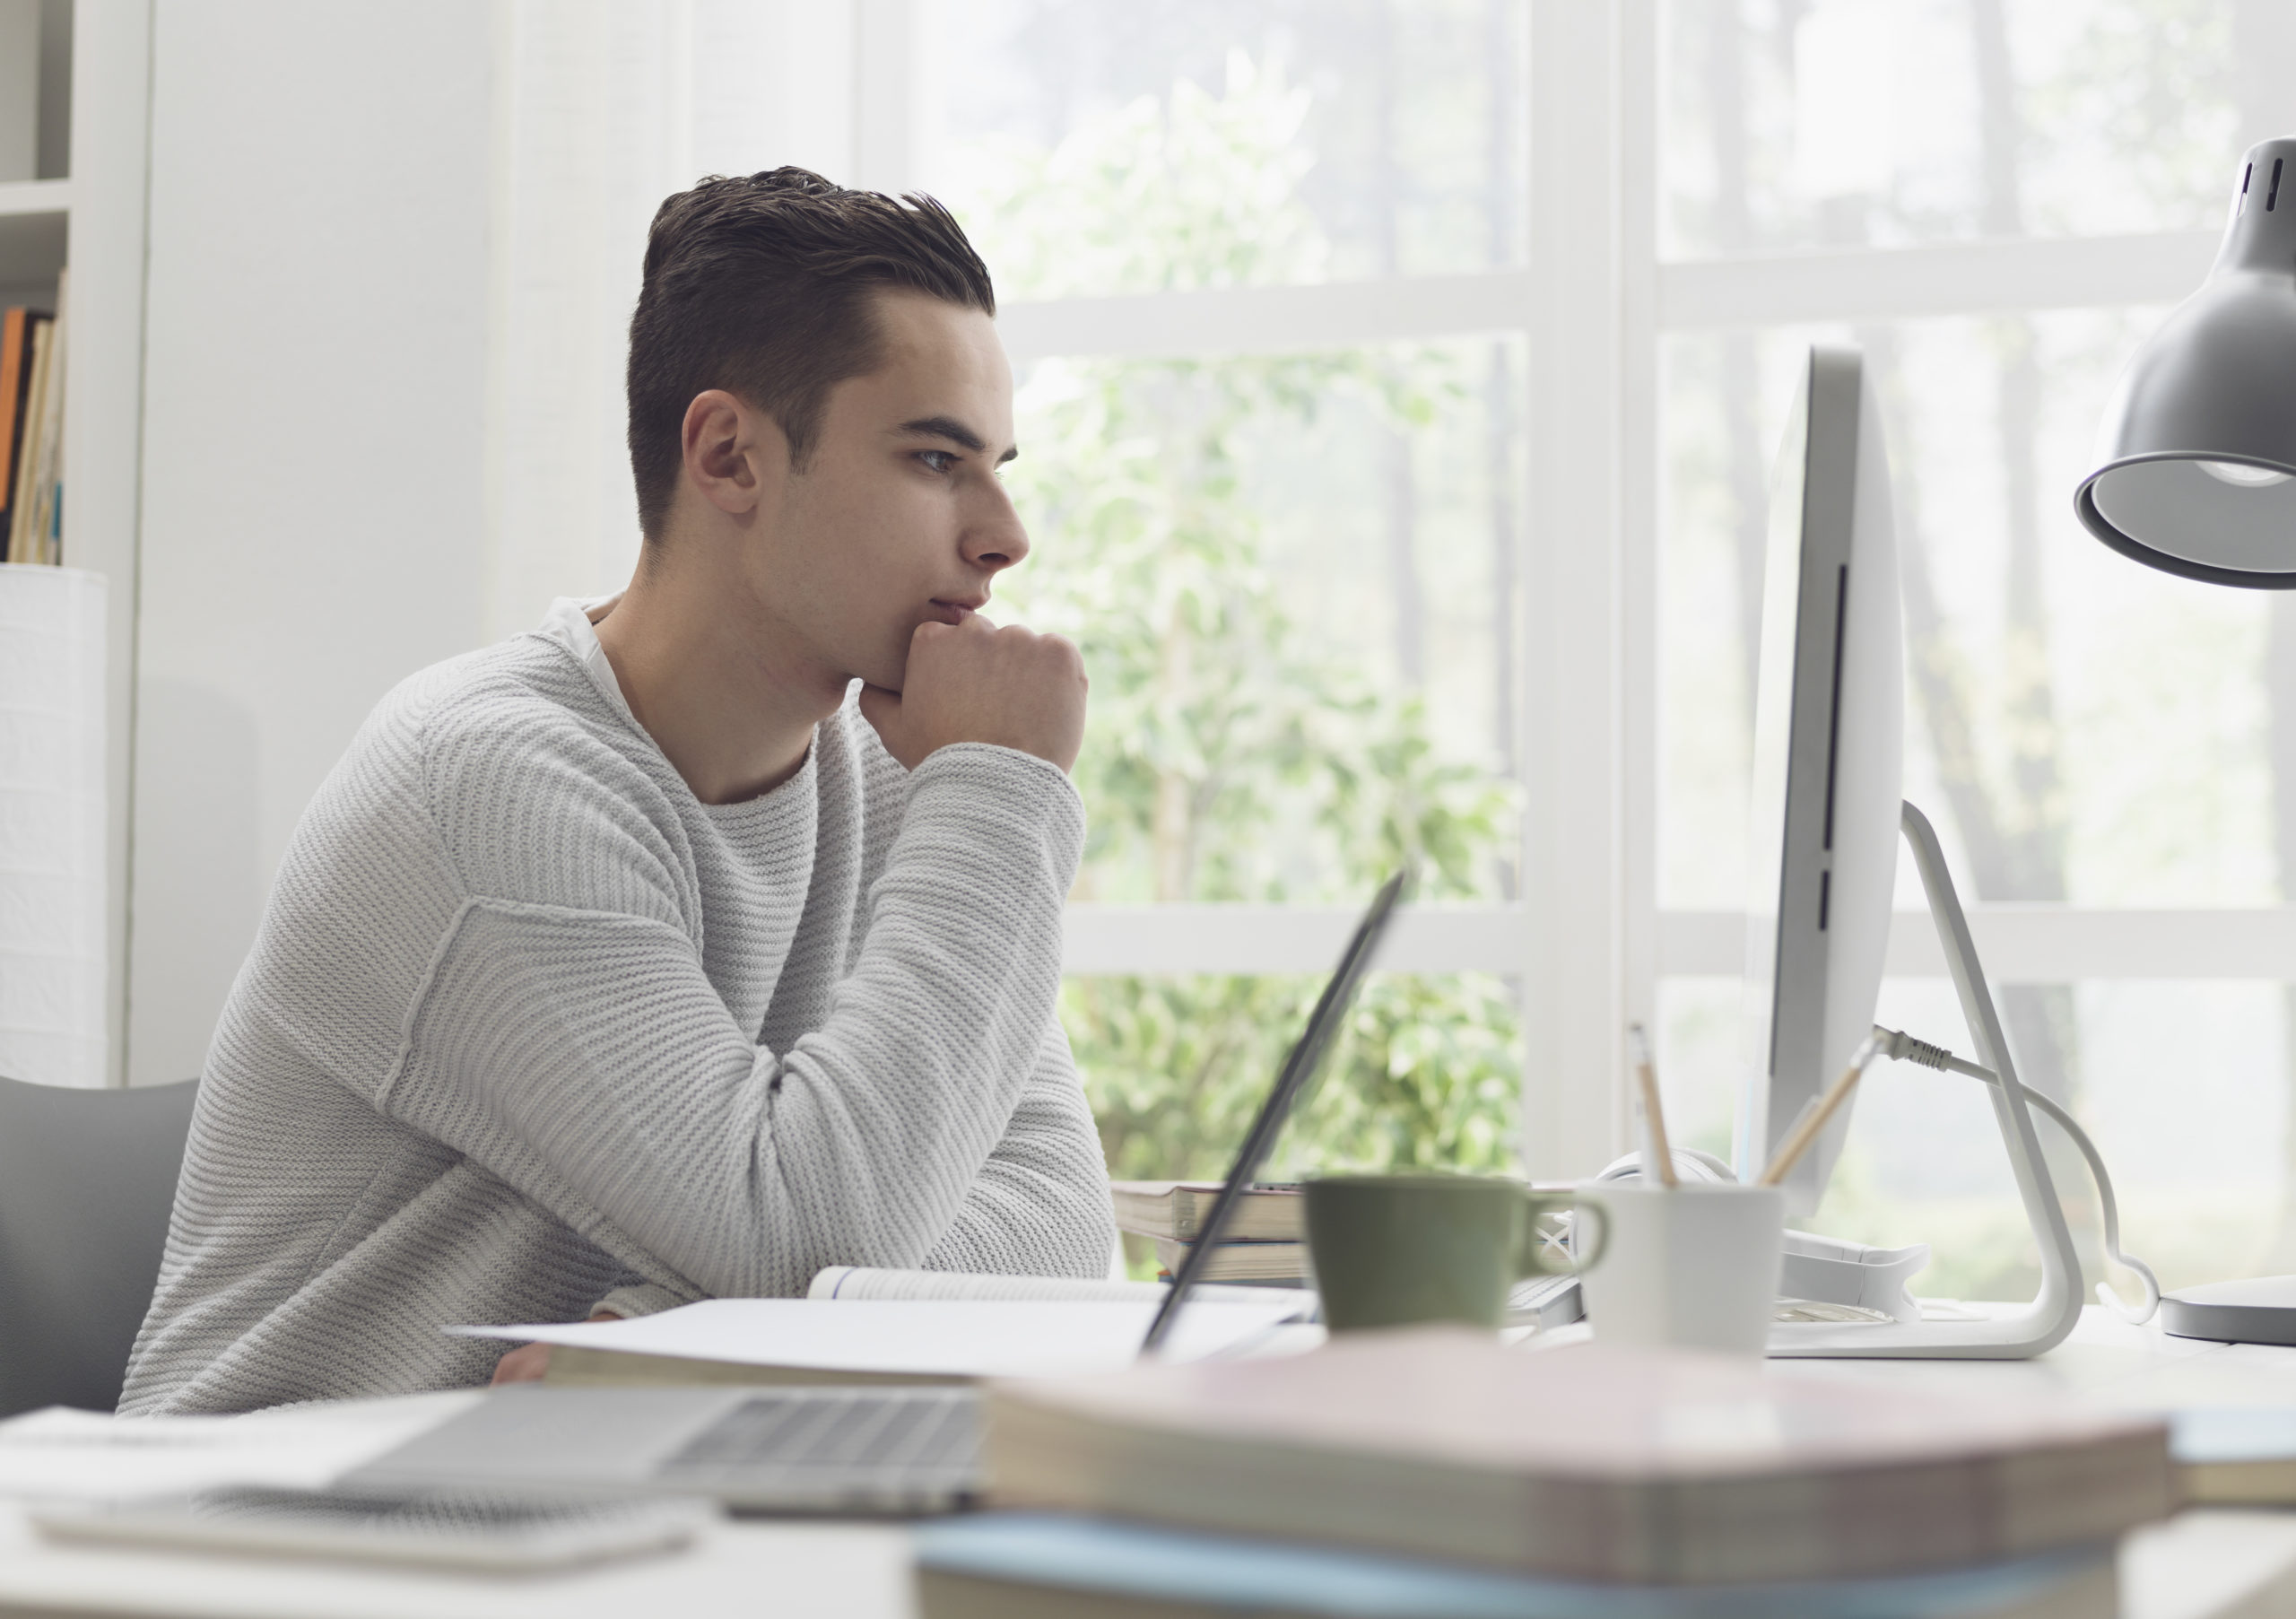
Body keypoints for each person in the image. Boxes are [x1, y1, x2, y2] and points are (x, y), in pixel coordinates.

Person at [119, 169, 1117, 1415]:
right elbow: (809, 1225)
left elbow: (1063, 1230)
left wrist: (671, 1332)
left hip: (601, 1505)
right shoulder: (487, 783)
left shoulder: (906, 782)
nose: (1006, 531)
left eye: (999, 466)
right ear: (729, 456)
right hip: (268, 1542)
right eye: (935, 459)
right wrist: (1004, 789)